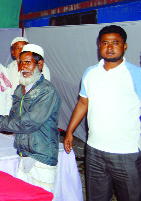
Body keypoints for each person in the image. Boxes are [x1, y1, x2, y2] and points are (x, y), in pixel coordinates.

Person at [64, 25, 141, 201]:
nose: (109, 47)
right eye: (105, 43)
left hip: (126, 153)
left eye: (115, 43)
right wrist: (69, 131)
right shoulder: (90, 73)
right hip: (94, 152)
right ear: (99, 46)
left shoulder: (136, 75)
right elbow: (83, 103)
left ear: (125, 46)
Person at [0, 44, 61, 192]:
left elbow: (27, 123)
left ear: (40, 64)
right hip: (23, 154)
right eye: (21, 62)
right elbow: (13, 118)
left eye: (28, 62)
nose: (23, 67)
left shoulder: (47, 92)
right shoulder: (20, 89)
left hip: (42, 157)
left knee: (42, 196)